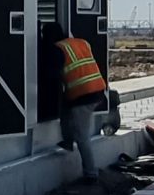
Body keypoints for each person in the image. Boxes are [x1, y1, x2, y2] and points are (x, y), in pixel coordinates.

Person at [48, 31, 114, 177]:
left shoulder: (57, 49)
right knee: (65, 109)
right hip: (98, 90)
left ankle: (91, 173)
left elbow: (53, 73)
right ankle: (68, 141)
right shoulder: (81, 42)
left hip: (83, 95)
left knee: (82, 136)